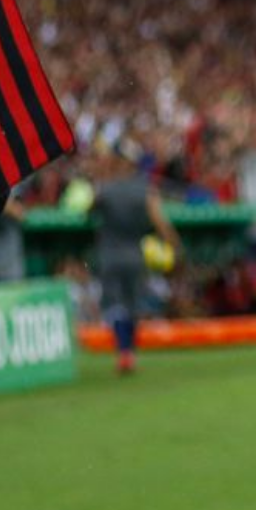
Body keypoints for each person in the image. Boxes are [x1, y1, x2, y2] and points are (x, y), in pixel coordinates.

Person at [91, 142, 181, 375]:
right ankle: (128, 352)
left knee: (115, 306)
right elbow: (160, 222)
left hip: (110, 254)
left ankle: (124, 352)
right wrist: (175, 246)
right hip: (134, 253)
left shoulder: (106, 188)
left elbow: (88, 210)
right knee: (132, 306)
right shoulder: (145, 189)